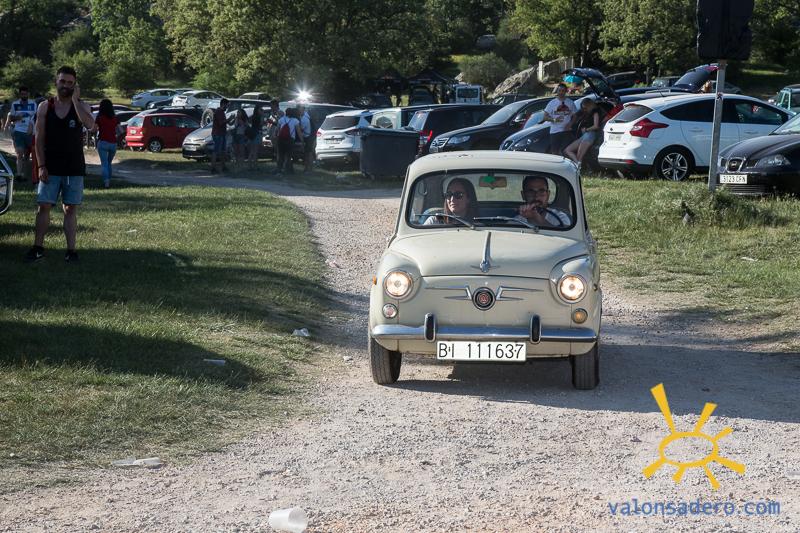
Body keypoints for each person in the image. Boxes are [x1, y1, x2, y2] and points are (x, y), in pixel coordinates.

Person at [25, 66, 95, 263]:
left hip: (74, 167)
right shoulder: (45, 106)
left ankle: (71, 251)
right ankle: (38, 248)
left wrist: (75, 101)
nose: (66, 86)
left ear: (75, 85)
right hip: (50, 166)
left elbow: (90, 125)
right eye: (63, 81)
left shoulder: (81, 106)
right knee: (44, 206)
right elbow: (39, 139)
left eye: (70, 83)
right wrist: (41, 166)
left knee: (70, 209)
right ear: (56, 82)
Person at [7, 86, 37, 178]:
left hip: (30, 132)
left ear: (28, 94)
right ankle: (19, 174)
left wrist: (32, 128)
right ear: (20, 94)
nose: (24, 95)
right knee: (19, 153)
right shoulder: (15, 104)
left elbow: (36, 117)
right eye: (22, 94)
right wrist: (17, 117)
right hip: (18, 131)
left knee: (27, 155)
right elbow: (11, 118)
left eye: (25, 94)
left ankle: (24, 174)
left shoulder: (33, 104)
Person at [564, 98, 602, 168]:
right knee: (568, 150)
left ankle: (577, 168)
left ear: (590, 105)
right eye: (583, 108)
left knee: (579, 156)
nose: (584, 109)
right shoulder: (587, 113)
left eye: (585, 108)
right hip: (585, 135)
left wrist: (586, 129)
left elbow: (596, 126)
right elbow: (576, 115)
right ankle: (577, 165)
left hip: (590, 135)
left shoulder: (595, 113)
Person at [543, 83, 577, 156]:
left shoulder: (570, 102)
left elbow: (575, 116)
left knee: (565, 151)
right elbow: (545, 117)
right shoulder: (552, 103)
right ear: (557, 91)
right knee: (555, 152)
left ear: (566, 91)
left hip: (566, 131)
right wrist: (554, 120)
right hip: (555, 131)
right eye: (559, 90)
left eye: (563, 90)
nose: (561, 92)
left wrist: (570, 124)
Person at [94, 99, 118, 188]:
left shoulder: (99, 117)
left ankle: (106, 182)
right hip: (113, 143)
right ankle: (109, 180)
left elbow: (94, 129)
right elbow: (120, 130)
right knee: (109, 163)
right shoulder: (115, 118)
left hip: (103, 141)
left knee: (104, 163)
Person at [275, 107, 302, 175]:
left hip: (281, 139)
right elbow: (299, 132)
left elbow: (277, 129)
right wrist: (302, 140)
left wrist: (276, 136)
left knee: (281, 155)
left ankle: (279, 170)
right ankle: (286, 170)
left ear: (286, 113)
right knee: (288, 156)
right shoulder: (295, 120)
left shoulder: (281, 119)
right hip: (290, 140)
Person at [210, 98, 229, 173]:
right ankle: (213, 167)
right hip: (217, 134)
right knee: (216, 151)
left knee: (222, 151)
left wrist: (230, 120)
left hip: (222, 133)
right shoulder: (218, 112)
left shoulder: (222, 112)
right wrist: (228, 120)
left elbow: (224, 122)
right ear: (223, 104)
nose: (227, 107)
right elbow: (221, 123)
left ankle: (223, 166)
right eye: (227, 105)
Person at [297, 104, 314, 172]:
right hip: (308, 137)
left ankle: (308, 168)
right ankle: (308, 168)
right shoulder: (304, 116)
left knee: (308, 153)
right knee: (307, 153)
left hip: (308, 137)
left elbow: (300, 129)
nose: (299, 111)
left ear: (303, 109)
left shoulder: (305, 118)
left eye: (300, 110)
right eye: (298, 110)